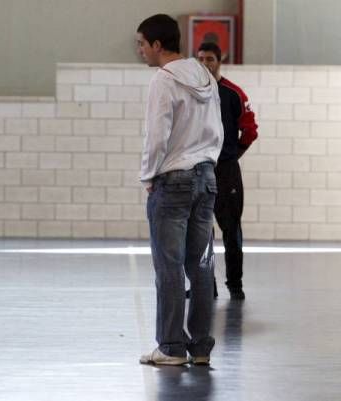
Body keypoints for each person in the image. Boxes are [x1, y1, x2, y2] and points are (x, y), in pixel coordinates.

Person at [136, 14, 223, 365]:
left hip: (173, 182)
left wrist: (148, 176)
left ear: (158, 45)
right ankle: (200, 346)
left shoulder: (164, 79)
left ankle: (171, 347)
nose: (140, 50)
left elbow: (157, 135)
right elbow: (217, 128)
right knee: (200, 266)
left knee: (169, 267)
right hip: (207, 177)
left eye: (142, 44)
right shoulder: (204, 75)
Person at [197, 41, 258, 300]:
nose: (205, 64)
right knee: (201, 232)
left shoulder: (234, 94)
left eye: (209, 59)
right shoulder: (192, 92)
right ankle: (204, 285)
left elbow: (250, 131)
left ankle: (235, 284)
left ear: (219, 61)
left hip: (226, 171)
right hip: (198, 169)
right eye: (200, 59)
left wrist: (232, 156)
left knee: (231, 229)